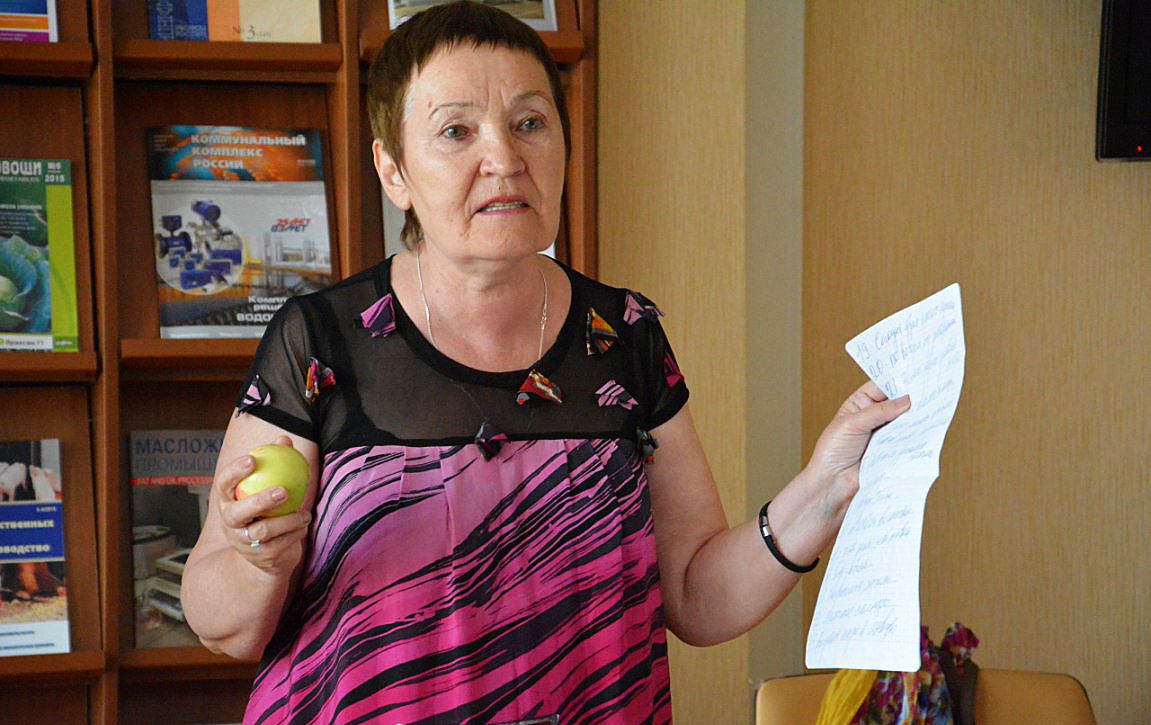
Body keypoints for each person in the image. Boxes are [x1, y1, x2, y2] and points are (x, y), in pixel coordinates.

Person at [181, 2, 910, 723]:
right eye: (456, 131)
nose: (504, 159)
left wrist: (825, 486)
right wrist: (257, 560)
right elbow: (224, 627)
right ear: (393, 170)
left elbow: (695, 595)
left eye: (529, 122)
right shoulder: (320, 340)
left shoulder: (621, 336)